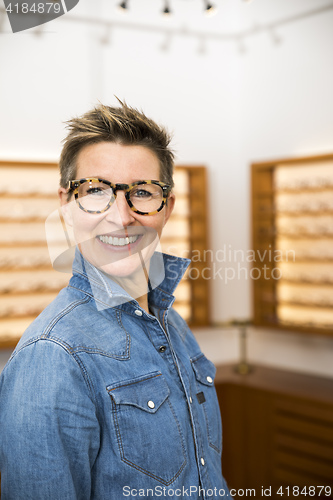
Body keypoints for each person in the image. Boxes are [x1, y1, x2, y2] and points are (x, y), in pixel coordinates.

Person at [0, 101, 230, 499]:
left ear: (167, 207)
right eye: (95, 191)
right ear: (66, 205)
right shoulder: (52, 355)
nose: (121, 217)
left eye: (142, 192)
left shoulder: (169, 320)